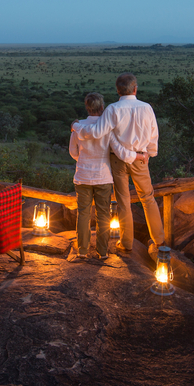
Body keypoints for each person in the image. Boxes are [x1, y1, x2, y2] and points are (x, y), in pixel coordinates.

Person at [71, 73, 163, 252]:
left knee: (123, 201)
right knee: (148, 198)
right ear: (135, 89)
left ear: (118, 90)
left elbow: (97, 132)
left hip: (118, 160)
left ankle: (126, 242)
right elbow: (154, 135)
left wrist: (76, 126)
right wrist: (149, 154)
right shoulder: (146, 108)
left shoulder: (112, 109)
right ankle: (159, 240)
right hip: (140, 158)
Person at [68, 93, 131, 261]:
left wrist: (84, 160)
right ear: (102, 108)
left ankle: (82, 250)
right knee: (103, 214)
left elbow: (73, 152)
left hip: (83, 176)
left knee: (83, 213)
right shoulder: (108, 128)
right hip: (103, 176)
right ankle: (103, 252)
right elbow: (115, 150)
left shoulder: (78, 127)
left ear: (87, 107)